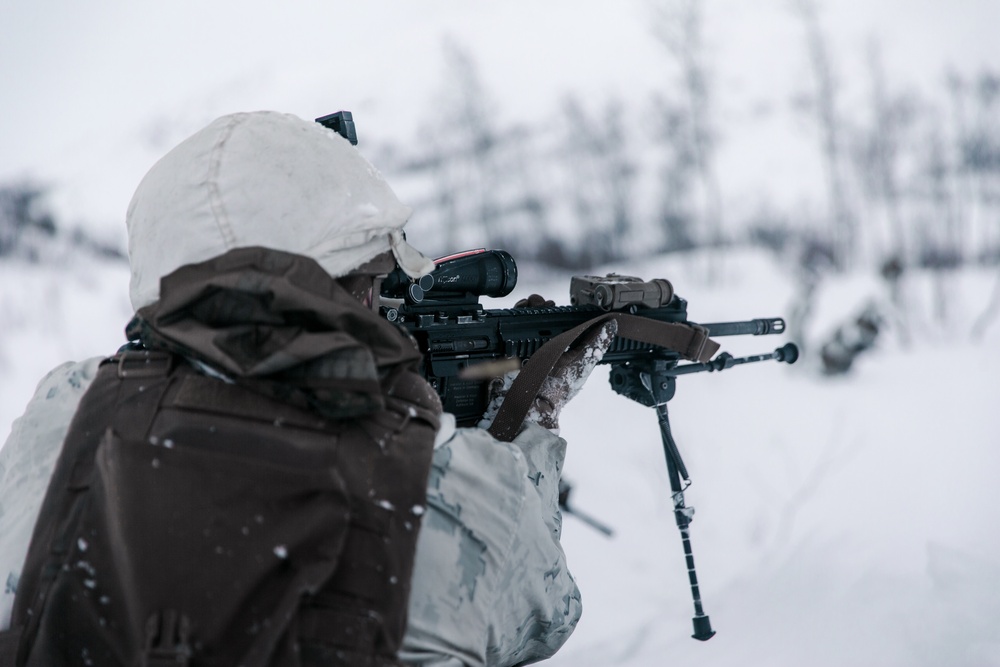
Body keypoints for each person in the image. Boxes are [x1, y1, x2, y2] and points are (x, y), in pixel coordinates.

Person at [0, 111, 615, 666]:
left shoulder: (65, 409)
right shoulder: (441, 484)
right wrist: (532, 420)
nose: (386, 301)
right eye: (377, 277)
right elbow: (541, 615)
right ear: (344, 285)